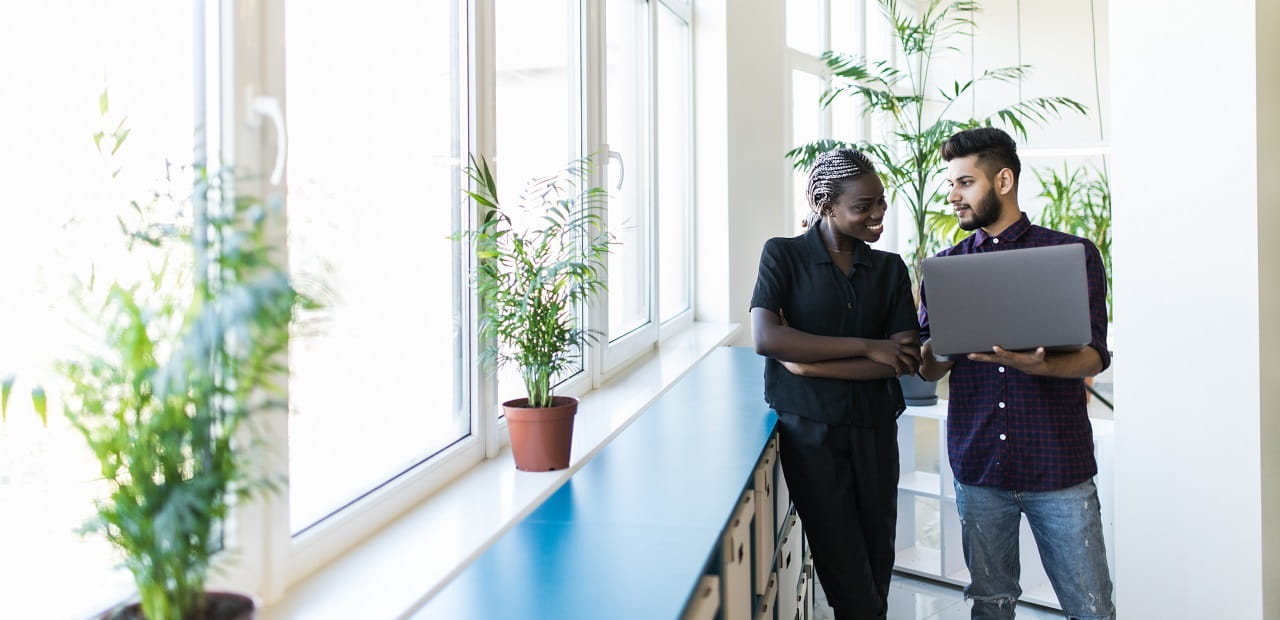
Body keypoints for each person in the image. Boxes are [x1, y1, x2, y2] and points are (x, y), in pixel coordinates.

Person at [918, 127, 1114, 620]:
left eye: (965, 183)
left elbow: (1094, 356)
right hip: (980, 467)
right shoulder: (945, 268)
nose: (953, 195)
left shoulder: (1072, 255)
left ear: (1003, 180)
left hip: (1059, 470)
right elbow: (929, 365)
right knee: (991, 603)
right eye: (950, 184)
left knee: (1091, 608)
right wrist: (931, 349)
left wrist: (1042, 365)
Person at [750, 148, 921, 620]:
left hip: (875, 430)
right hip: (811, 435)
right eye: (863, 206)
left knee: (876, 561)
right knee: (844, 569)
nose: (877, 215)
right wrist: (869, 347)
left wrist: (807, 362)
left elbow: (903, 359)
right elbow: (767, 338)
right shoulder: (782, 254)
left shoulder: (889, 269)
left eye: (881, 202)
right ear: (827, 207)